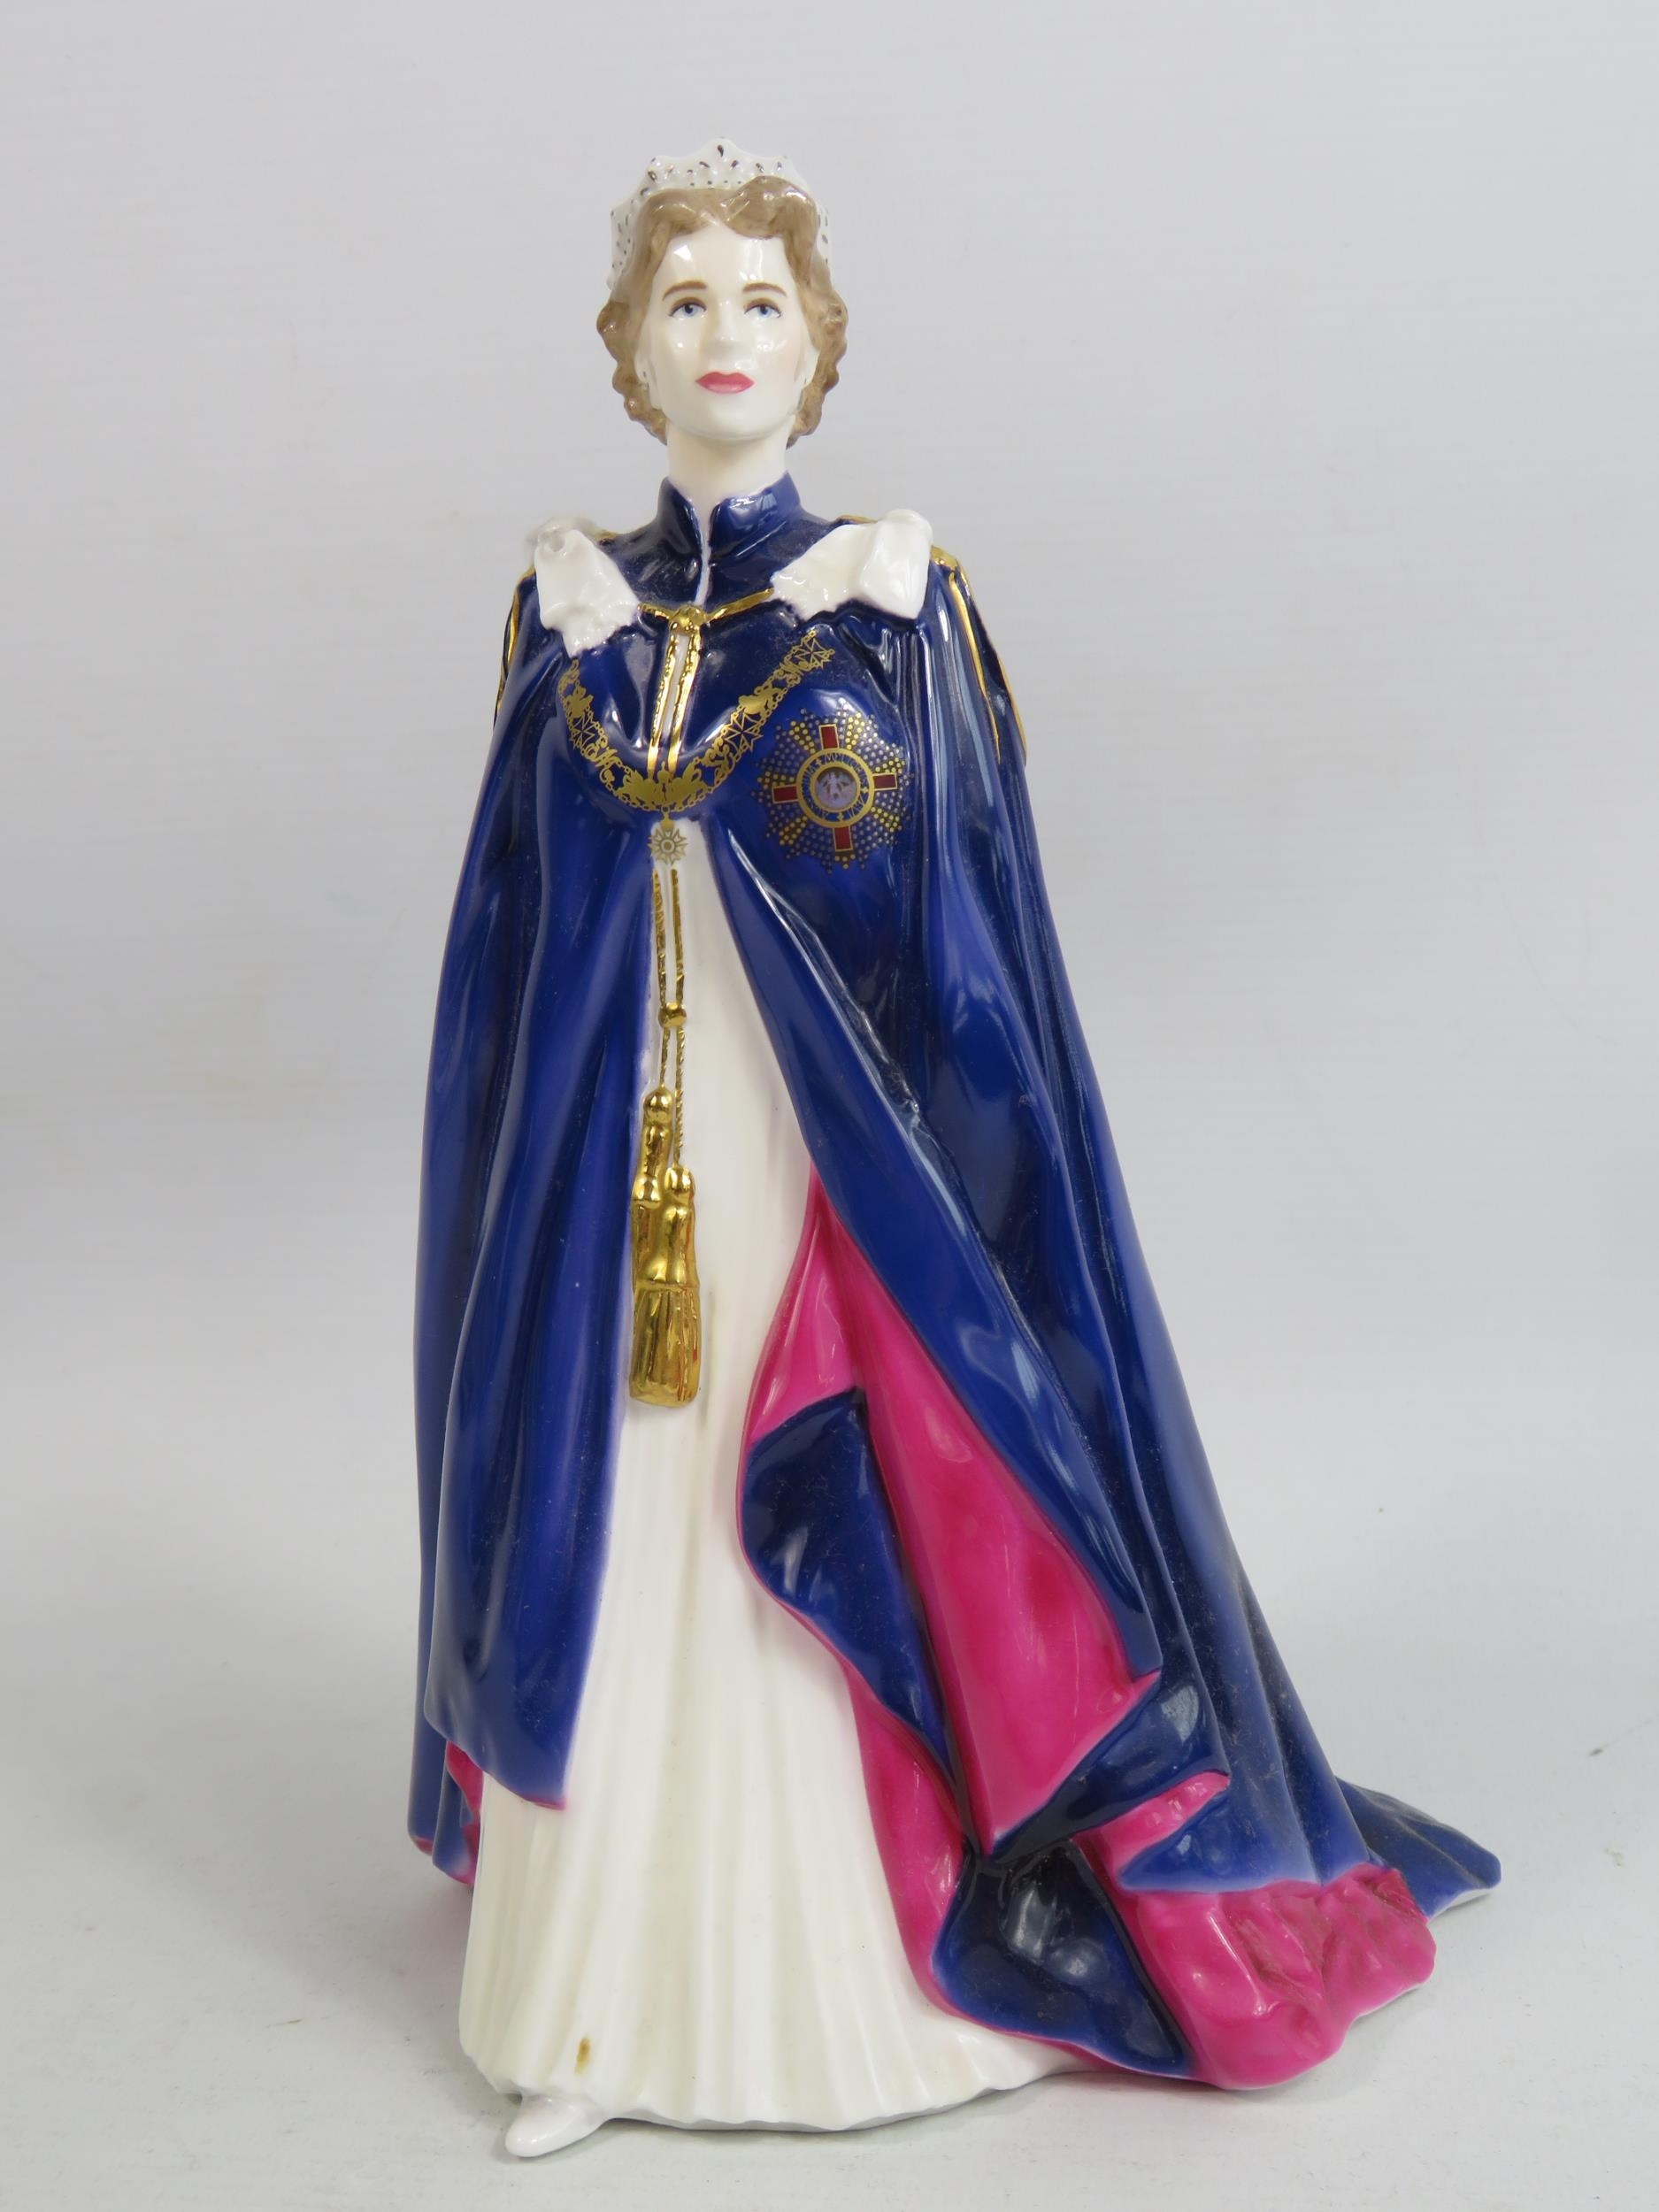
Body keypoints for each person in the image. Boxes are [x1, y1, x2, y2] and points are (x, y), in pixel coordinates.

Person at [408, 141, 1499, 2161]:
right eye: (683, 300)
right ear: (626, 348)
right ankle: (597, 1998)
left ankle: (852, 1981)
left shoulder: (894, 605)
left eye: (760, 301)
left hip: (831, 1181)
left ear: (816, 346)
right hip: (619, 1183)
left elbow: (971, 960)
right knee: (624, 1518)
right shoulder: (568, 618)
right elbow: (511, 956)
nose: (723, 335)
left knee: (812, 1504)